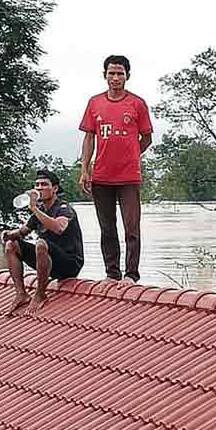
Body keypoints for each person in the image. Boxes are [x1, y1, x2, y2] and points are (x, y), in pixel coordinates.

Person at [78, 54, 153, 283]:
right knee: (107, 228)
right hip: (101, 176)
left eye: (120, 73)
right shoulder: (95, 103)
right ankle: (112, 273)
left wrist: (131, 155)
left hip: (129, 177)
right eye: (111, 73)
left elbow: (147, 137)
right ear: (105, 75)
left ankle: (131, 275)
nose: (116, 77)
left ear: (127, 76)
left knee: (132, 227)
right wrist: (85, 170)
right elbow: (89, 138)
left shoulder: (137, 103)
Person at [1, 170, 84, 314]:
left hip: (69, 263)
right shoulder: (40, 211)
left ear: (55, 189)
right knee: (12, 245)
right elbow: (22, 232)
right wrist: (8, 234)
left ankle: (40, 294)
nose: (39, 188)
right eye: (37, 185)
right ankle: (21, 294)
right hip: (48, 259)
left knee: (40, 243)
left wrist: (33, 208)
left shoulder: (64, 208)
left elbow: (59, 228)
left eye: (44, 185)